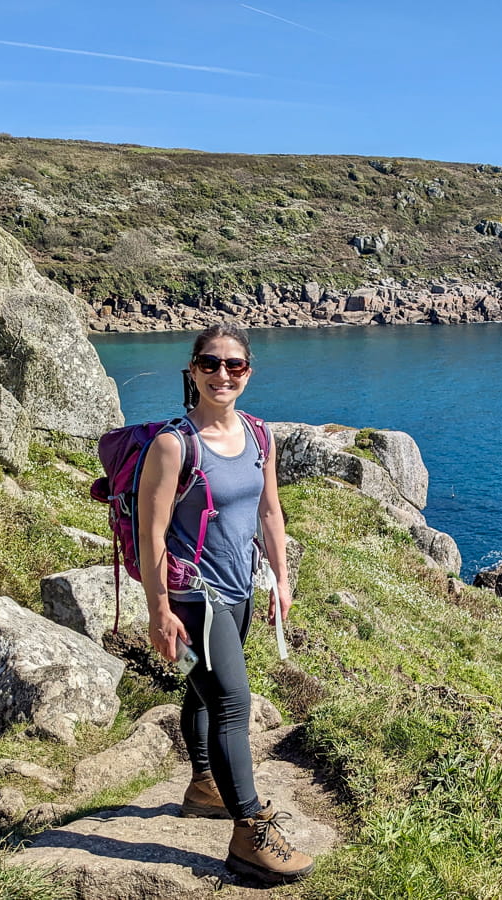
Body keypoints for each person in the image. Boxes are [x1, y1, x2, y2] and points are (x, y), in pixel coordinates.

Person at [137, 322, 313, 883]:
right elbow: (152, 537)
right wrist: (159, 610)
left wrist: (281, 582)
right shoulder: (174, 444)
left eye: (233, 365)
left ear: (247, 373)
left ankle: (205, 785)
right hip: (195, 597)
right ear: (192, 370)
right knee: (235, 703)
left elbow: (269, 513)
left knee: (207, 693)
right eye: (210, 364)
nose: (222, 374)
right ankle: (248, 833)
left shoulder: (260, 436)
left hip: (240, 588)